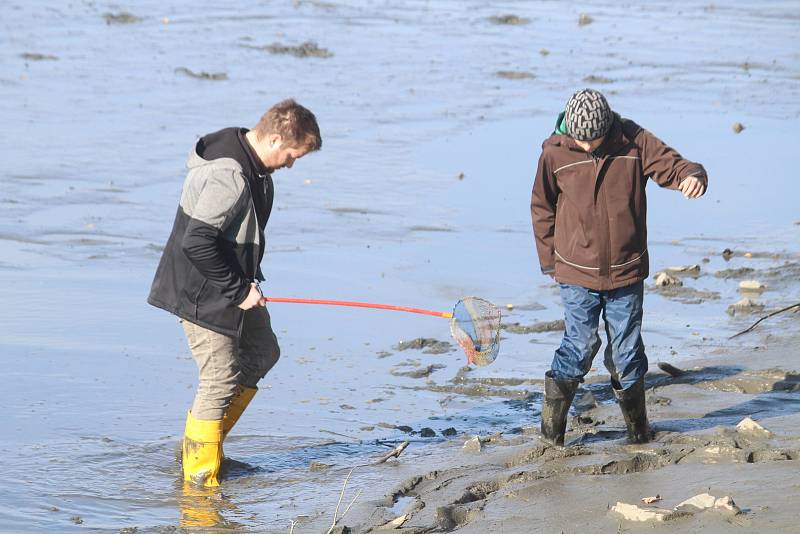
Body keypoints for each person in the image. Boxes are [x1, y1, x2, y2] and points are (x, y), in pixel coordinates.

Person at [148, 99, 322, 486]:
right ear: (275, 138)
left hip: (235, 283)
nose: (293, 164)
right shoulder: (230, 175)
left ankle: (200, 446)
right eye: (293, 155)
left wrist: (247, 282)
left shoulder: (255, 167)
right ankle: (199, 484)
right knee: (219, 379)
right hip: (200, 291)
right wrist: (238, 289)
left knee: (264, 352)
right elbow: (196, 242)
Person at [531, 89, 707, 446]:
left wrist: (692, 175)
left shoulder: (633, 141)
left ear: (607, 127)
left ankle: (639, 434)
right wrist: (551, 262)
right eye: (579, 140)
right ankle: (551, 436)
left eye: (592, 140)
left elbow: (673, 165)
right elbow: (542, 208)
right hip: (575, 271)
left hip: (625, 270)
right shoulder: (554, 152)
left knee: (626, 352)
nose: (585, 147)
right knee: (579, 346)